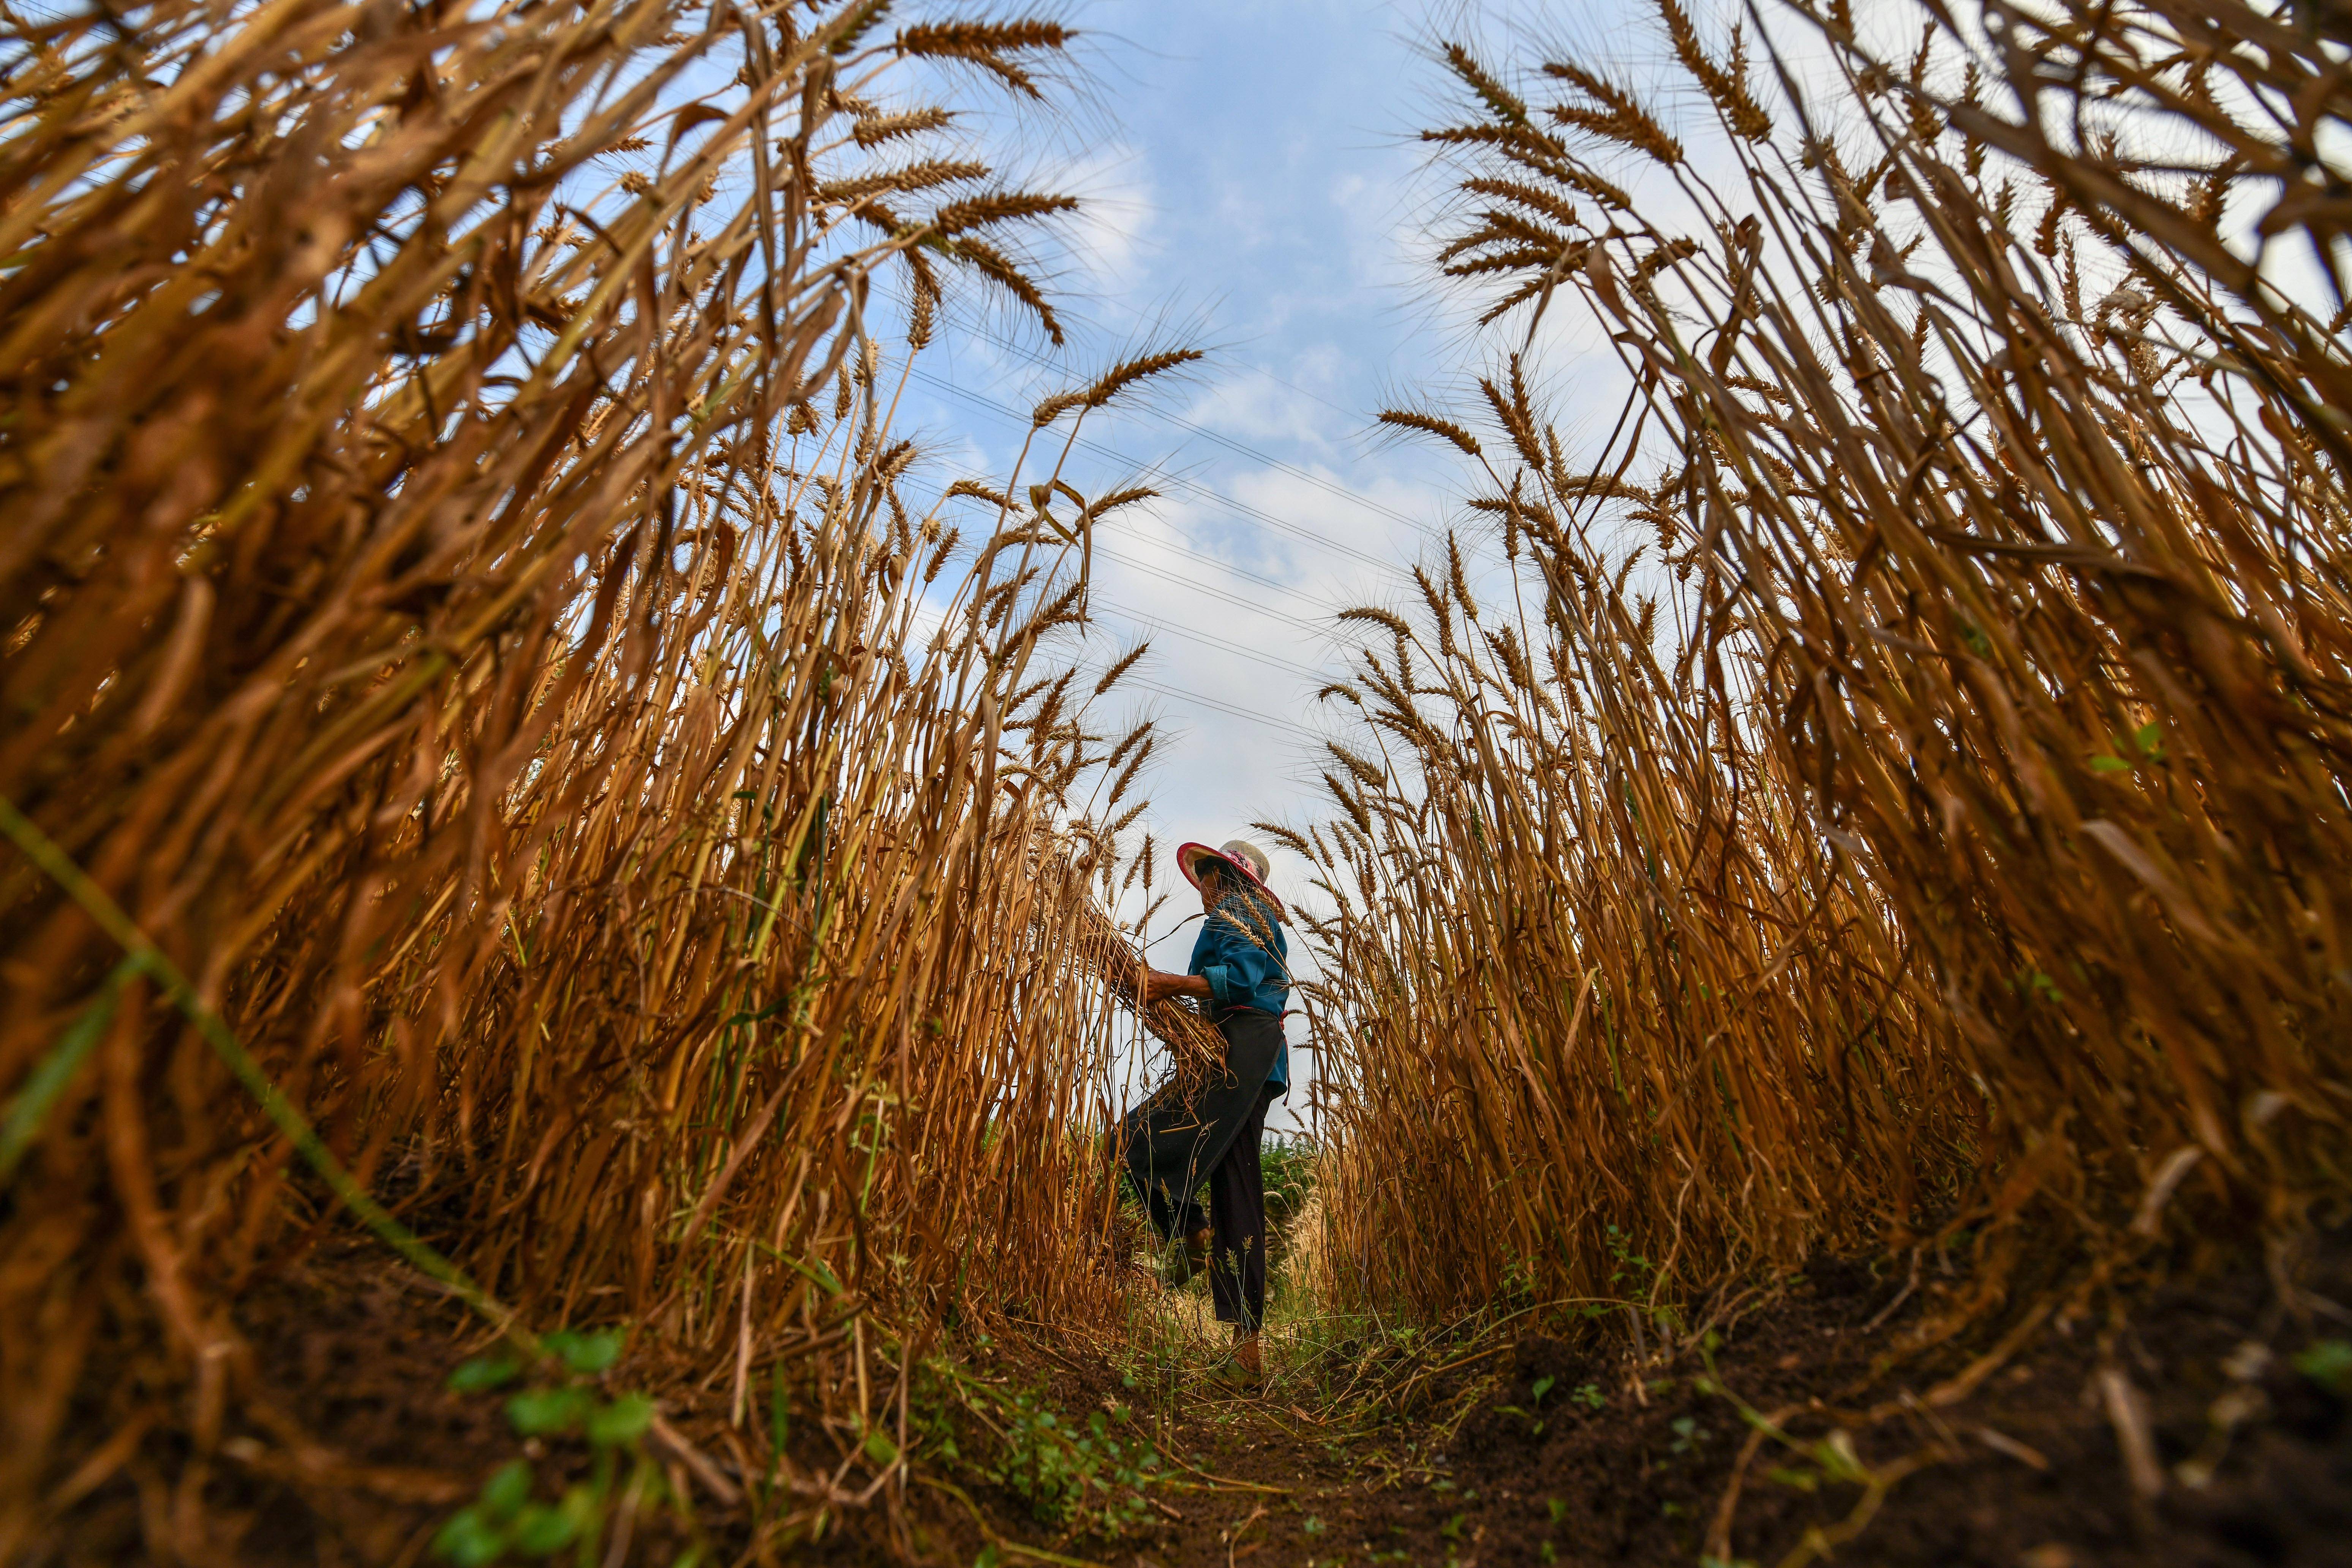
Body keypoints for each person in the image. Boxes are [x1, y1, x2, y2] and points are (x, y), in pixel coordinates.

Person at [1117, 838, 1291, 1384]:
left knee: (1152, 1149)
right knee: (1148, 1144)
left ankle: (1246, 1353)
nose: (1204, 888)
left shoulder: (1242, 911)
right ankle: (1192, 1235)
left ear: (1226, 877)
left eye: (1209, 877)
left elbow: (1239, 984)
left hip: (1245, 1050)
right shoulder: (1244, 915)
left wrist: (1165, 984)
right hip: (1235, 1052)